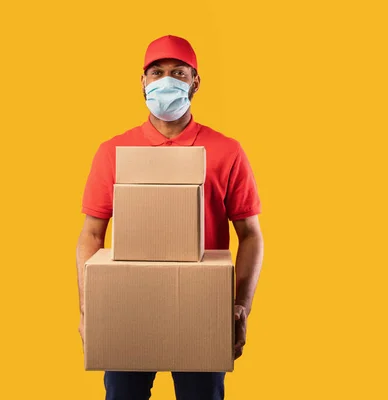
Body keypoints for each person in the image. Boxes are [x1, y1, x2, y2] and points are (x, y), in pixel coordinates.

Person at [76, 35, 264, 400]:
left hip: (201, 307)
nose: (167, 80)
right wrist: (89, 309)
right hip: (127, 304)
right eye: (156, 72)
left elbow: (252, 235)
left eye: (178, 72)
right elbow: (91, 235)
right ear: (142, 82)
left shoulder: (226, 150)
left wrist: (241, 306)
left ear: (195, 81)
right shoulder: (114, 151)